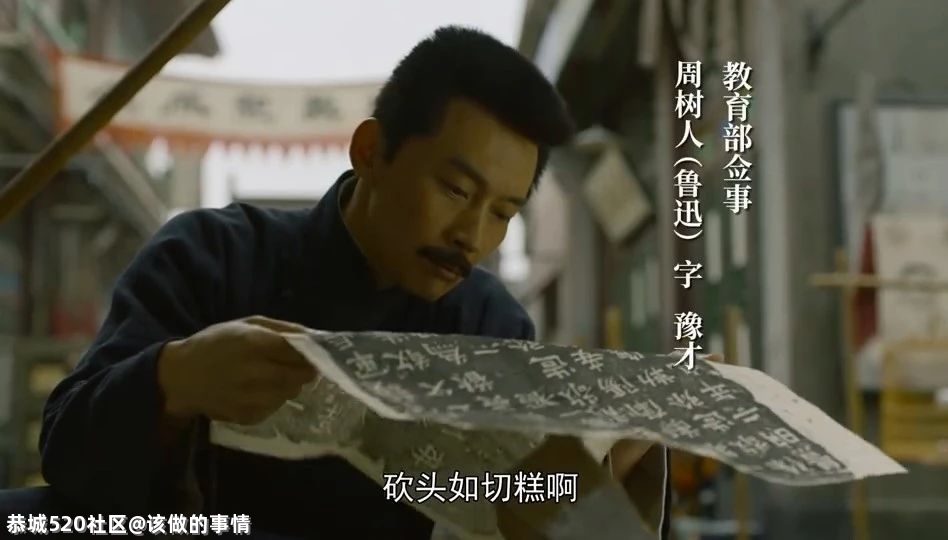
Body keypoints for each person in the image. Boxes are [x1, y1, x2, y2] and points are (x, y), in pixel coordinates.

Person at [1, 26, 670, 539]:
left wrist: (585, 486)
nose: (472, 235)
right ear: (371, 151)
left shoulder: (489, 326)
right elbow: (67, 455)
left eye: (503, 212)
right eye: (456, 189)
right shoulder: (213, 256)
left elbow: (498, 505)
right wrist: (171, 380)